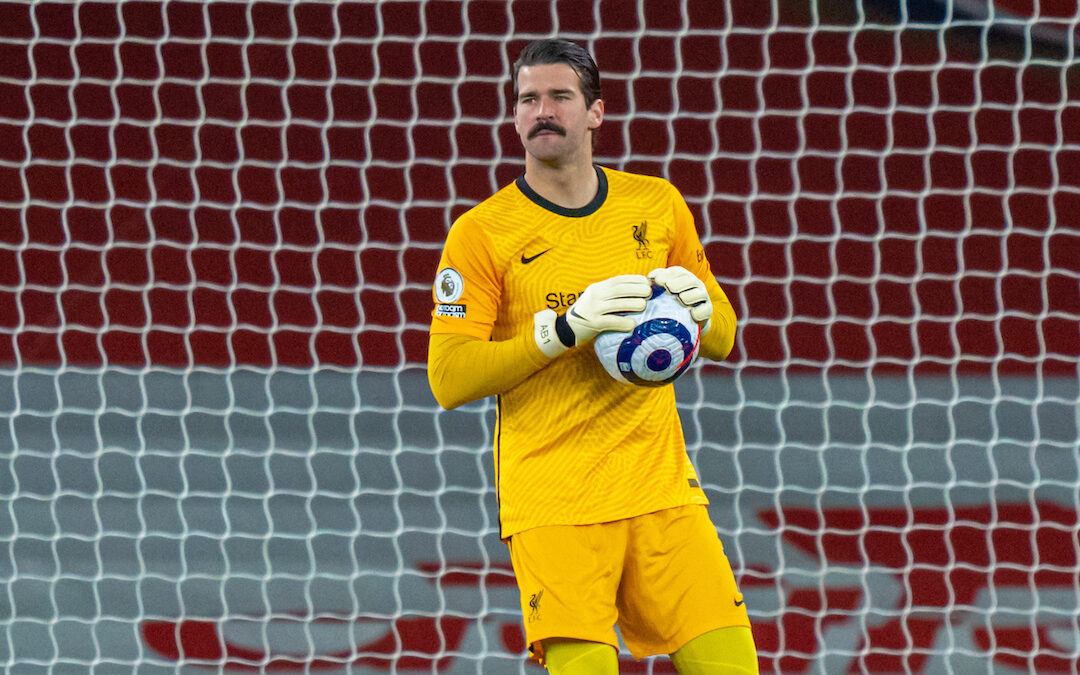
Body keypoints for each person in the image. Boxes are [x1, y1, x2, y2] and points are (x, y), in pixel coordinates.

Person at [427, 38, 757, 674]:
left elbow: (723, 339)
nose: (541, 110)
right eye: (527, 99)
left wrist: (701, 306)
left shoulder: (655, 205)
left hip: (662, 492)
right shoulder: (481, 233)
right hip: (555, 503)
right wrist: (561, 330)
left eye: (558, 96)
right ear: (515, 115)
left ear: (596, 112)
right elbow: (448, 378)